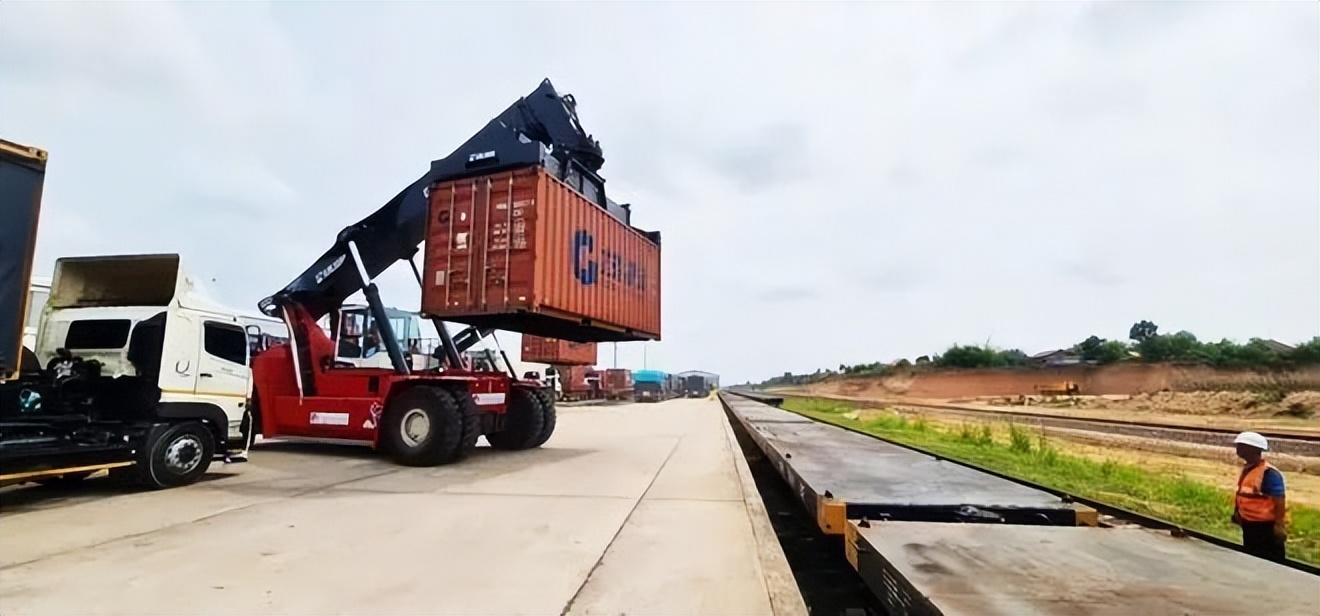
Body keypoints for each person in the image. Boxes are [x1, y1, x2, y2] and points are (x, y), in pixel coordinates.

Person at [1231, 431, 1288, 561]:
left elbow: (1279, 499)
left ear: (1252, 449)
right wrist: (1237, 512)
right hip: (1249, 524)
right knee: (1253, 556)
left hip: (1265, 527)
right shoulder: (1248, 469)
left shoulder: (1269, 473)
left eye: (1241, 446)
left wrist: (1279, 525)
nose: (1237, 449)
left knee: (1271, 560)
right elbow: (1243, 494)